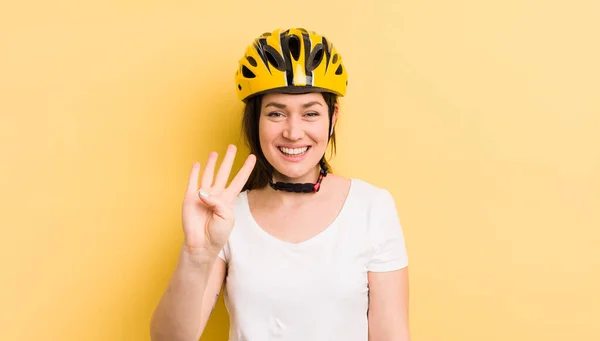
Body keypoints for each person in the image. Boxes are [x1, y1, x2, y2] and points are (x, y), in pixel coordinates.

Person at [150, 28, 410, 341]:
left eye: (310, 113)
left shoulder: (372, 207)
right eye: (276, 113)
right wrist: (195, 257)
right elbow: (168, 339)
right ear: (255, 119)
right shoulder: (226, 216)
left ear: (333, 118)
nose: (293, 132)